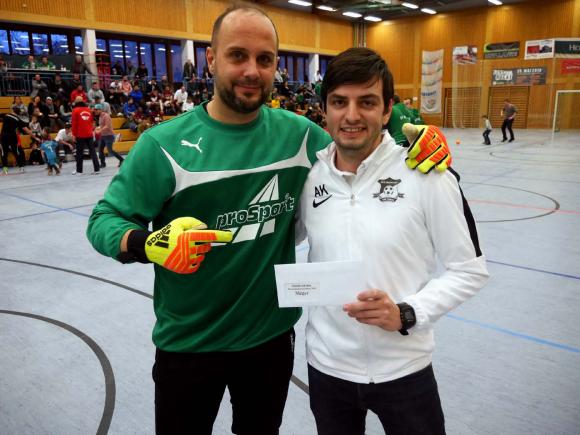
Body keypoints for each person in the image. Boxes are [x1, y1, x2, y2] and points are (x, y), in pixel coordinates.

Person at [86, 5, 450, 435]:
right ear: (210, 59)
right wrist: (145, 243)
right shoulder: (163, 145)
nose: (252, 71)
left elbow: (360, 145)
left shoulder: (298, 136)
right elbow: (104, 220)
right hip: (189, 345)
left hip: (269, 343)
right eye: (238, 55)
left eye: (265, 59)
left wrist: (419, 148)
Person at [295, 47, 488, 435]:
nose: (351, 116)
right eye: (339, 102)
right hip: (327, 369)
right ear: (324, 110)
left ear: (387, 110)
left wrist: (408, 313)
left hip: (405, 372)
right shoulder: (309, 179)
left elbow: (469, 269)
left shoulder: (427, 175)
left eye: (367, 102)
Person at [71, 98, 99, 175]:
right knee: (93, 152)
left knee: (79, 153)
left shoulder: (75, 110)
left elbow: (74, 124)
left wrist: (74, 134)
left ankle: (79, 171)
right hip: (89, 134)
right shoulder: (89, 110)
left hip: (80, 134)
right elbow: (91, 122)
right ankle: (97, 169)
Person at [1, 105, 31, 174]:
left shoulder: (6, 115)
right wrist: (35, 137)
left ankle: (5, 170)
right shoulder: (18, 119)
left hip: (4, 137)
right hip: (13, 137)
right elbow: (26, 130)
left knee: (4, 153)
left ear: (12, 110)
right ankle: (21, 167)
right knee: (16, 152)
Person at [94, 104, 124, 168]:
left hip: (109, 135)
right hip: (103, 135)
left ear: (100, 109)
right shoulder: (100, 116)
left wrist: (100, 130)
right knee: (100, 149)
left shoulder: (106, 116)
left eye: (96, 110)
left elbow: (107, 126)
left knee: (110, 150)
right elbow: (102, 125)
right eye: (94, 110)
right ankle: (103, 163)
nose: (95, 111)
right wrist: (98, 128)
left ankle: (122, 160)